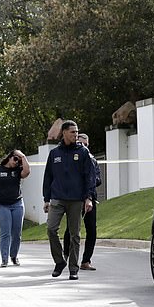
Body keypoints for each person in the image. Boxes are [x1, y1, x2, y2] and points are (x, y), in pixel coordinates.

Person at [42, 120, 96, 280]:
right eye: (73, 132)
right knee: (51, 229)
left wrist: (88, 198)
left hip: (76, 199)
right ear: (64, 132)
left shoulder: (83, 152)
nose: (76, 135)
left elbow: (90, 177)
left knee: (75, 235)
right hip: (57, 198)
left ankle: (74, 268)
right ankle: (59, 262)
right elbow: (48, 177)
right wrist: (46, 199)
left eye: (77, 132)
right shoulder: (54, 153)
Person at [0, 150, 31, 267]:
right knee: (5, 233)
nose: (16, 162)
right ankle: (4, 259)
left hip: (17, 204)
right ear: (9, 157)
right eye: (15, 159)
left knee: (17, 233)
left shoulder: (17, 170)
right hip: (2, 205)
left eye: (18, 161)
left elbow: (27, 171)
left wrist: (23, 157)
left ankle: (14, 256)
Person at [63, 133, 102, 271]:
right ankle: (65, 257)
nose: (83, 147)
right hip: (75, 199)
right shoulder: (71, 159)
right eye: (81, 144)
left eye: (86, 144)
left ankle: (86, 261)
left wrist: (88, 183)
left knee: (92, 230)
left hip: (90, 198)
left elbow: (98, 179)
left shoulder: (92, 160)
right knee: (71, 229)